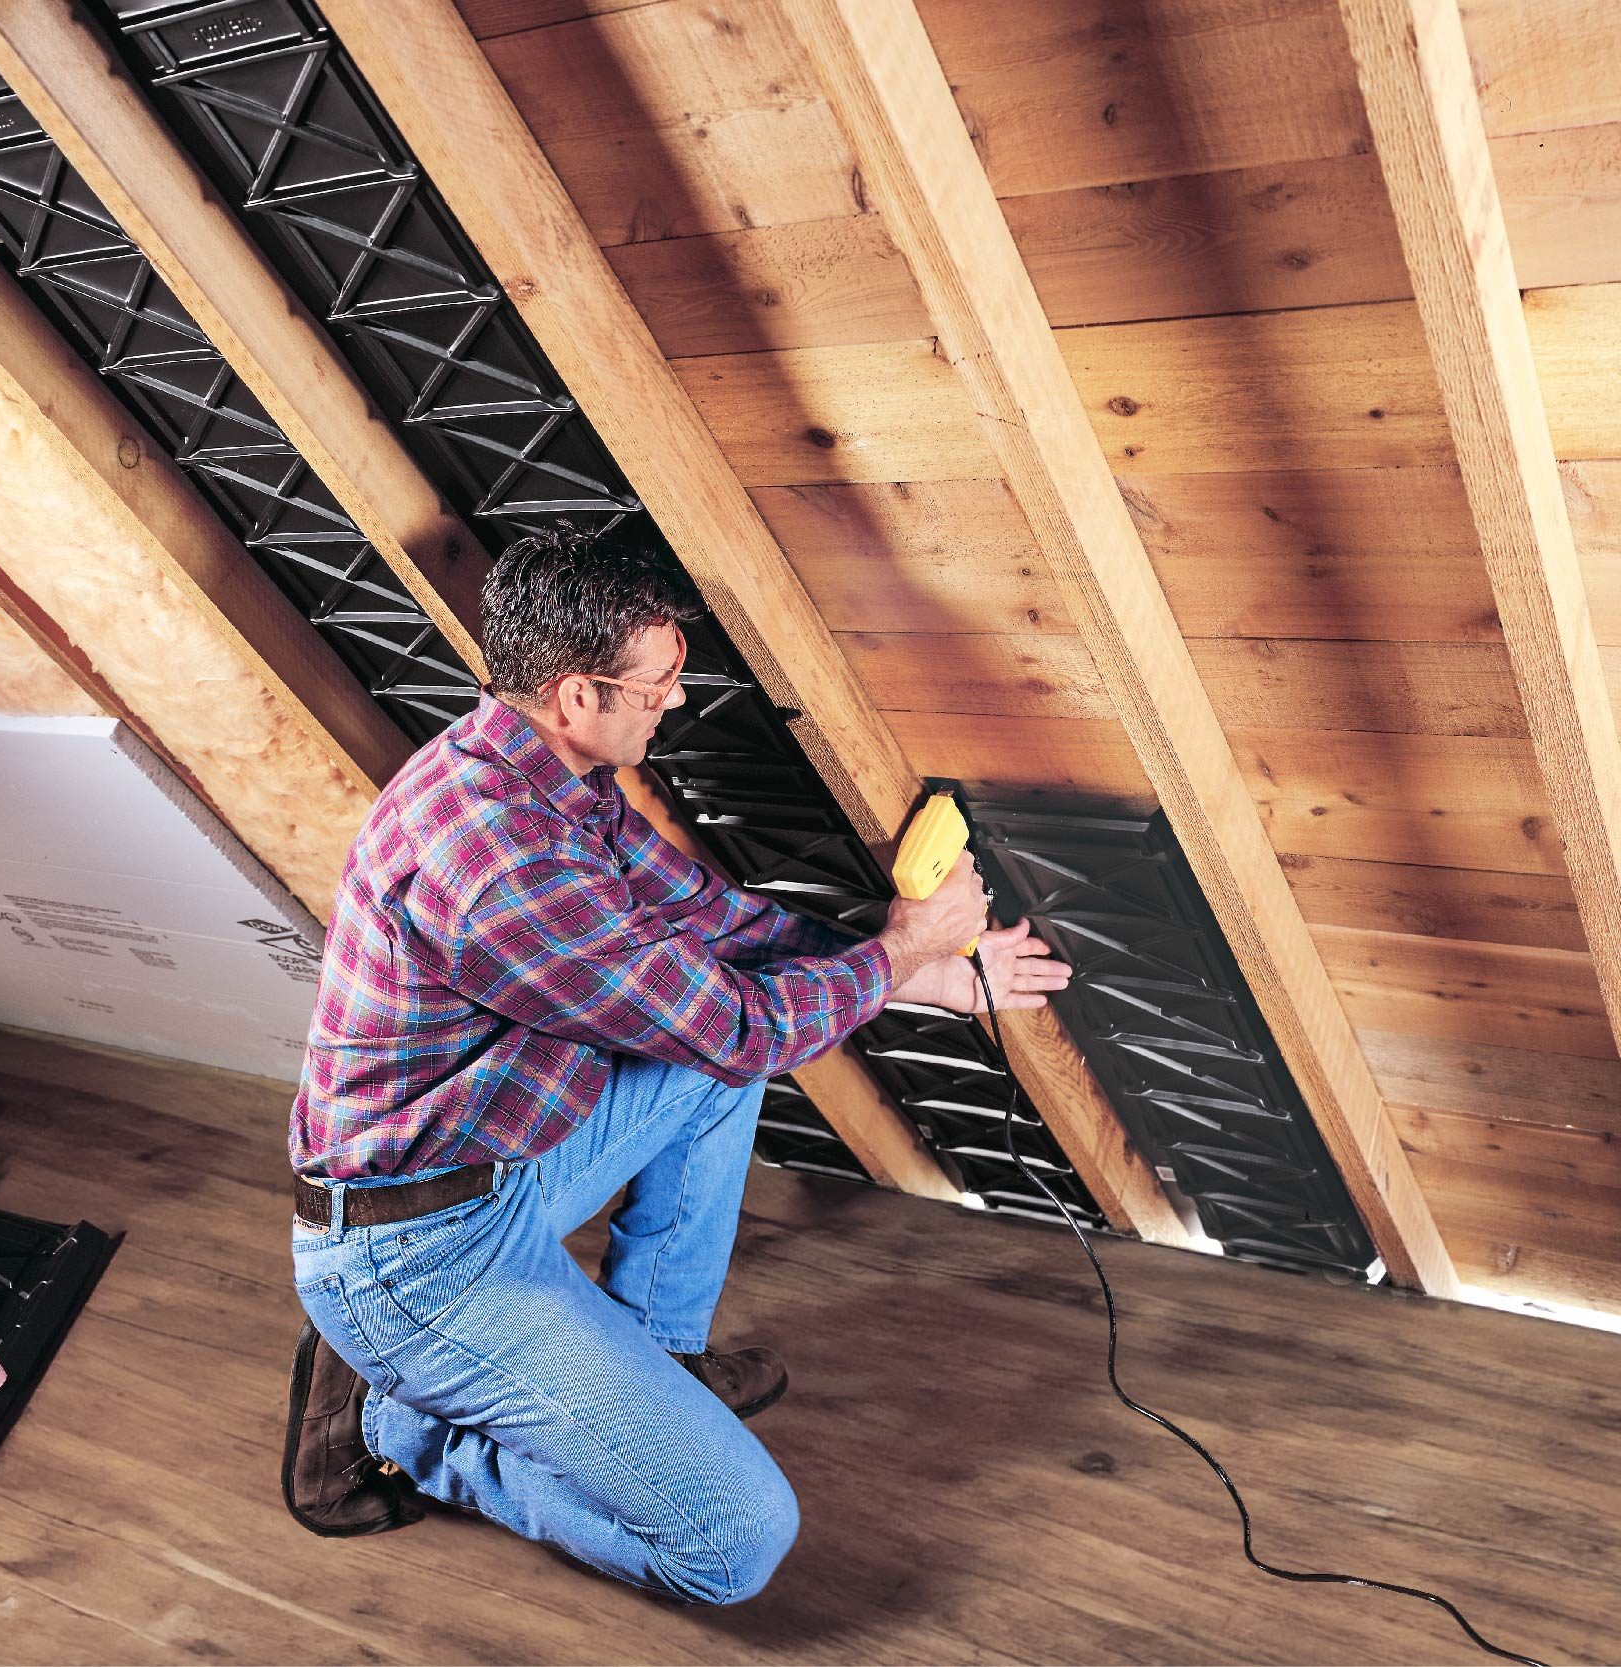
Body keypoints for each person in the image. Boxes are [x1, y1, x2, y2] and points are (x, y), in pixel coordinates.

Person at [281, 524, 1072, 1603]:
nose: (676, 701)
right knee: (733, 1543)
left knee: (711, 1064)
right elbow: (738, 1025)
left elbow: (713, 922)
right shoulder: (497, 863)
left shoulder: (542, 773)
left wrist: (908, 972)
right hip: (415, 1257)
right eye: (656, 686)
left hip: (490, 1170)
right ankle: (402, 1426)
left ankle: (657, 1355)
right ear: (573, 695)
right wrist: (897, 953)